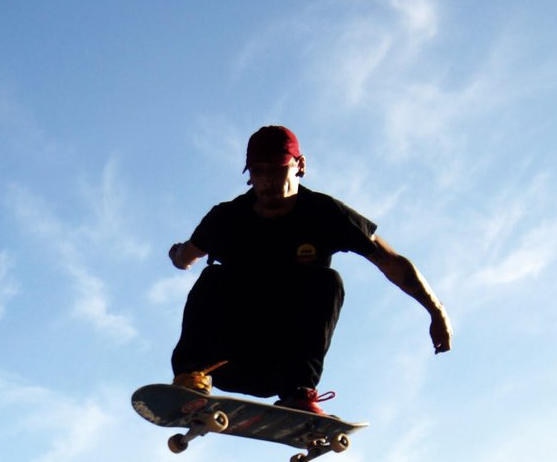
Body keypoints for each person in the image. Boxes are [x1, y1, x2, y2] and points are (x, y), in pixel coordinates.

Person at [166, 125, 451, 414]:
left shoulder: (326, 215)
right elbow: (186, 256)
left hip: (279, 366)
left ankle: (299, 393)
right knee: (214, 278)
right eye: (258, 172)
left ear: (299, 166)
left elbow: (391, 262)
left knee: (326, 281)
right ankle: (191, 376)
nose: (267, 182)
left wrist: (436, 311)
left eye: (276, 170)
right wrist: (178, 254)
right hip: (224, 362)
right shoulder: (226, 219)